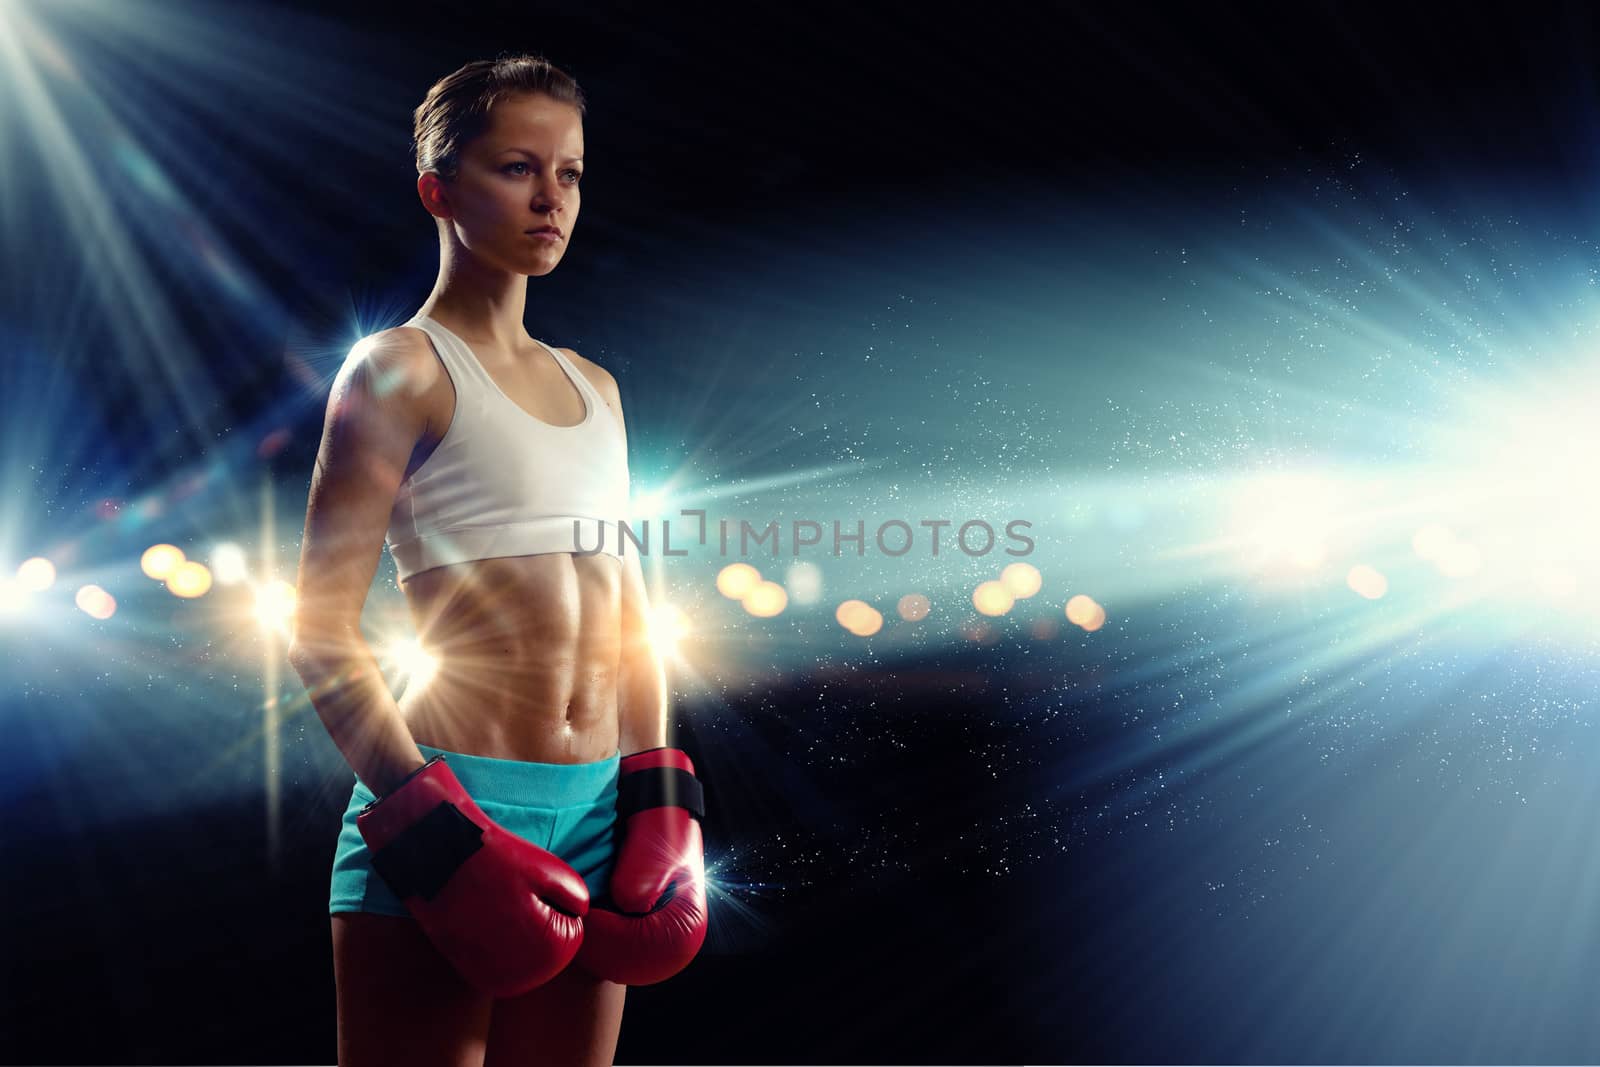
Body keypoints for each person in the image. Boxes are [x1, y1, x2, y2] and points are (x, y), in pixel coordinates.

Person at [288, 53, 708, 1067]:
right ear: (439, 188)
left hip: (604, 813)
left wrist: (661, 795)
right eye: (518, 167)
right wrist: (436, 832)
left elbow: (634, 618)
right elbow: (317, 629)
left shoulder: (596, 386)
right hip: (452, 805)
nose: (550, 196)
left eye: (567, 172)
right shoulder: (399, 369)